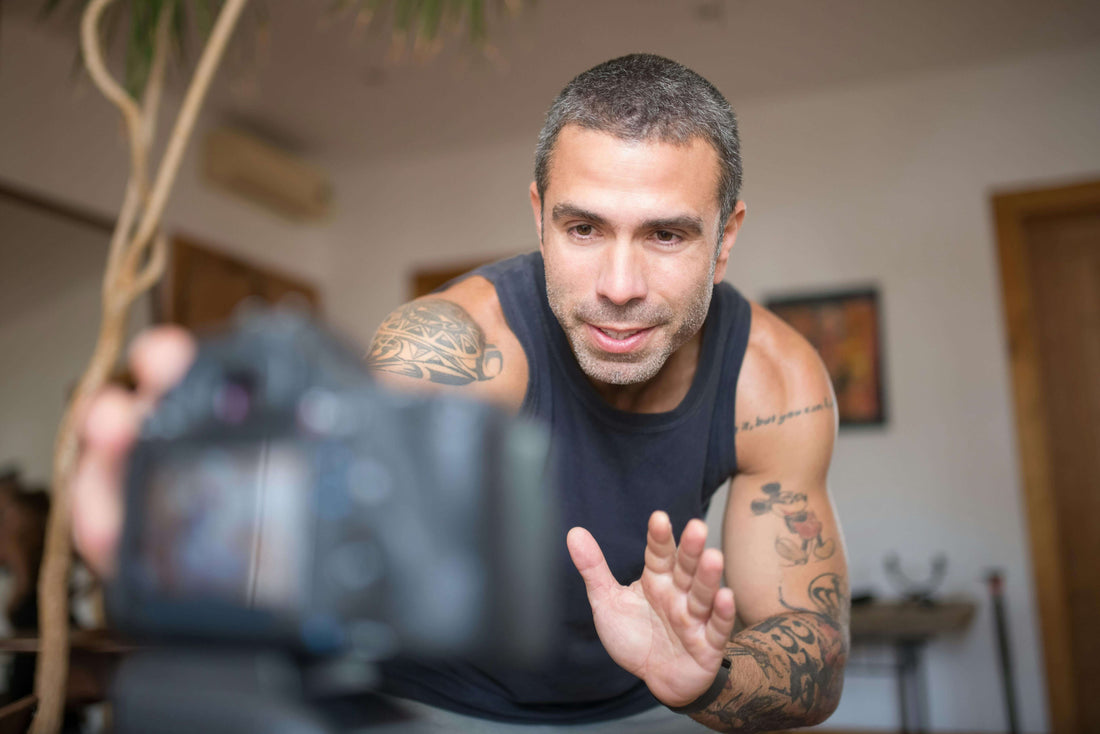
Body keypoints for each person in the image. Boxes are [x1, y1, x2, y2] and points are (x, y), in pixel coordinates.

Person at [72, 54, 848, 732]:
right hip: (438, 705)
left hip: (651, 702)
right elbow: (316, 542)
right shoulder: (455, 350)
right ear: (540, 217)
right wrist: (175, 535)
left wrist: (700, 678)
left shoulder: (772, 379)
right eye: (583, 230)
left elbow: (811, 648)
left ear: (727, 237)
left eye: (666, 236)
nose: (619, 287)